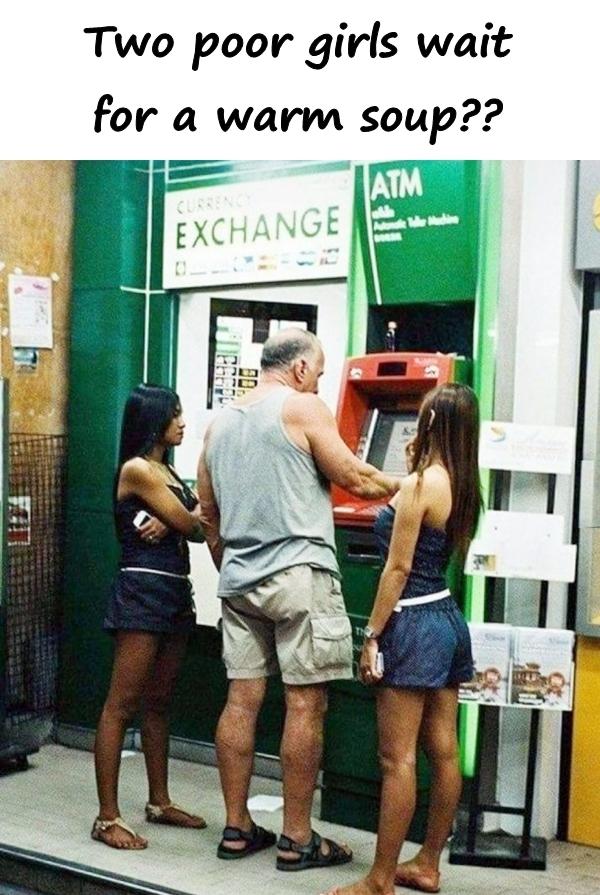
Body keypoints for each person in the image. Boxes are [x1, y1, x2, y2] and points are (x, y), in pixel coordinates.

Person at [197, 328, 400, 870]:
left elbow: (207, 514)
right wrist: (414, 485)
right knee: (305, 703)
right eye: (322, 371)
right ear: (302, 369)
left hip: (239, 579)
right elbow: (354, 475)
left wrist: (234, 568)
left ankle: (237, 828)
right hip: (298, 575)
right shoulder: (303, 407)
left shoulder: (218, 426)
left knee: (241, 701)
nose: (323, 381)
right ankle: (296, 838)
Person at [324, 383, 482, 895]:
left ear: (432, 422)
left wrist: (371, 635)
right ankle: (428, 863)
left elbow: (397, 567)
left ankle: (378, 880)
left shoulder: (419, 487)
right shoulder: (462, 484)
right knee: (444, 751)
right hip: (446, 618)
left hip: (411, 623)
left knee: (397, 760)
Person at [91, 384, 207, 850]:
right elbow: (198, 525)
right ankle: (106, 818)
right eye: (175, 414)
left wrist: (182, 512)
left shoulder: (165, 471)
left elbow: (194, 517)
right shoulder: (139, 469)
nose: (182, 422)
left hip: (173, 589)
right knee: (121, 704)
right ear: (155, 420)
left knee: (159, 701)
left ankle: (159, 801)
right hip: (142, 590)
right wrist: (184, 513)